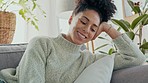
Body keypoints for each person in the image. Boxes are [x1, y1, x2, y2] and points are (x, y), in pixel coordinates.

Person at [0, 0, 146, 83]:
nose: (86, 30)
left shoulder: (90, 59)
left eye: (94, 29)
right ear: (71, 19)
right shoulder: (42, 43)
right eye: (83, 22)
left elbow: (136, 58)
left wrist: (108, 28)